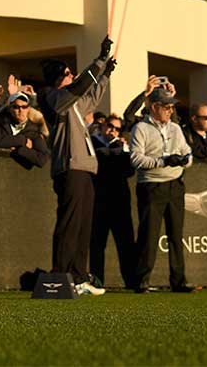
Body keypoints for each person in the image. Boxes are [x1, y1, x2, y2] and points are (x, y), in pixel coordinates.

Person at [42, 35, 116, 297]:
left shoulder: (73, 103)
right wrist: (100, 60)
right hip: (69, 167)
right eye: (66, 73)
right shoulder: (55, 99)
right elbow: (82, 85)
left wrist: (105, 75)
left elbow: (91, 97)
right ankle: (59, 276)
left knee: (84, 225)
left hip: (85, 168)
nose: (71, 75)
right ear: (56, 79)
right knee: (70, 224)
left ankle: (78, 277)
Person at [130, 86, 196, 294]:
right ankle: (142, 280)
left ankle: (179, 281)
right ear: (154, 107)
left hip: (175, 185)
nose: (170, 110)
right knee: (149, 235)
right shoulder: (140, 128)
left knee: (176, 235)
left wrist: (184, 161)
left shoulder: (175, 128)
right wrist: (163, 161)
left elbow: (188, 152)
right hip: (151, 186)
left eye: (171, 107)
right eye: (166, 107)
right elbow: (136, 159)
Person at [90, 113, 136, 290]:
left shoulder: (123, 147)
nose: (113, 131)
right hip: (98, 200)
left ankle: (131, 281)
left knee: (125, 243)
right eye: (110, 126)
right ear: (102, 126)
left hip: (120, 201)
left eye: (117, 129)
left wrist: (122, 152)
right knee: (97, 243)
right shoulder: (92, 143)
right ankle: (96, 281)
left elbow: (129, 171)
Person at [0, 92, 49, 169]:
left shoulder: (33, 129)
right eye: (16, 107)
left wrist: (19, 149)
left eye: (24, 107)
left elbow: (42, 159)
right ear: (9, 109)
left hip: (20, 173)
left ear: (28, 109)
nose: (20, 110)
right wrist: (23, 141)